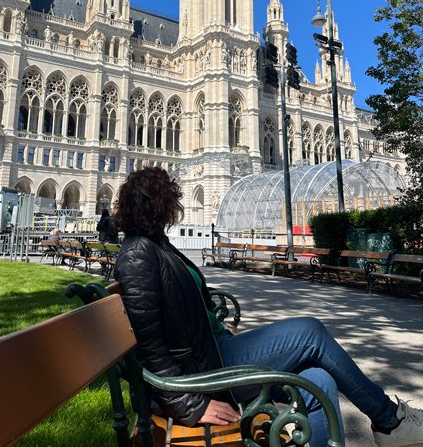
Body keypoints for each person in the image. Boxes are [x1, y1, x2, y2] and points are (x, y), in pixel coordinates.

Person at [113, 167, 423, 447]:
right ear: (157, 203)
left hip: (216, 350)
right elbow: (151, 349)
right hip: (209, 369)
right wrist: (192, 405)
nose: (176, 206)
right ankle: (389, 420)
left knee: (320, 381)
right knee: (310, 333)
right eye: (171, 198)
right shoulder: (138, 255)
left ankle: (387, 422)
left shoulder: (154, 244)